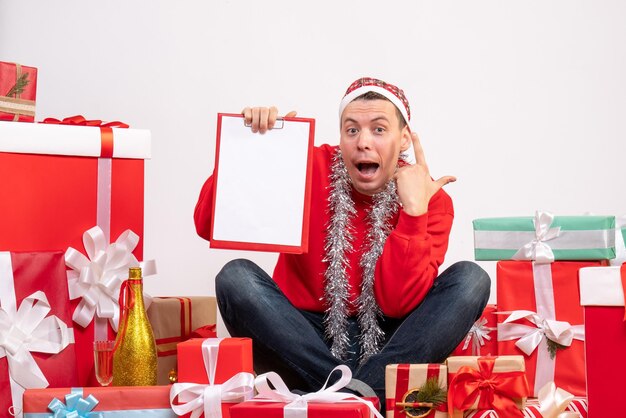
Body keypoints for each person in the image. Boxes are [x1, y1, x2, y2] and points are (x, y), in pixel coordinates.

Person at [194, 77, 490, 409]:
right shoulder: (306, 166)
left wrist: (413, 211)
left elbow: (396, 303)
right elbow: (207, 223)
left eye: (379, 129)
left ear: (404, 138)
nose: (363, 142)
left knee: (471, 279)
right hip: (303, 336)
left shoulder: (430, 200)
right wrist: (255, 151)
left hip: (388, 340)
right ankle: (362, 397)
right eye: (351, 130)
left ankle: (338, 398)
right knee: (236, 276)